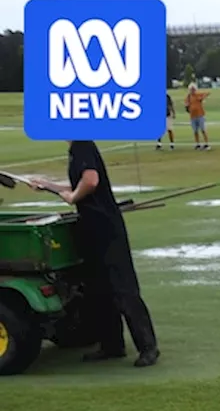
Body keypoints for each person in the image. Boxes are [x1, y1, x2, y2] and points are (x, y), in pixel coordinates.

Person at [30, 141, 161, 367]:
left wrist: (72, 197)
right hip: (91, 228)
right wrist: (49, 185)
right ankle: (112, 345)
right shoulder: (76, 149)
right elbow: (78, 182)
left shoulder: (83, 145)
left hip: (106, 229)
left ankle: (148, 347)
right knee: (99, 289)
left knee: (122, 288)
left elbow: (90, 181)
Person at [185, 83, 211, 150]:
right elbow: (186, 105)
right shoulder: (188, 97)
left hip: (200, 115)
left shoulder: (198, 95)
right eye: (191, 89)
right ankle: (197, 144)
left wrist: (202, 97)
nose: (192, 91)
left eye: (193, 89)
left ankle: (206, 143)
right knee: (195, 131)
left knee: (203, 129)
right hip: (192, 116)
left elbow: (207, 93)